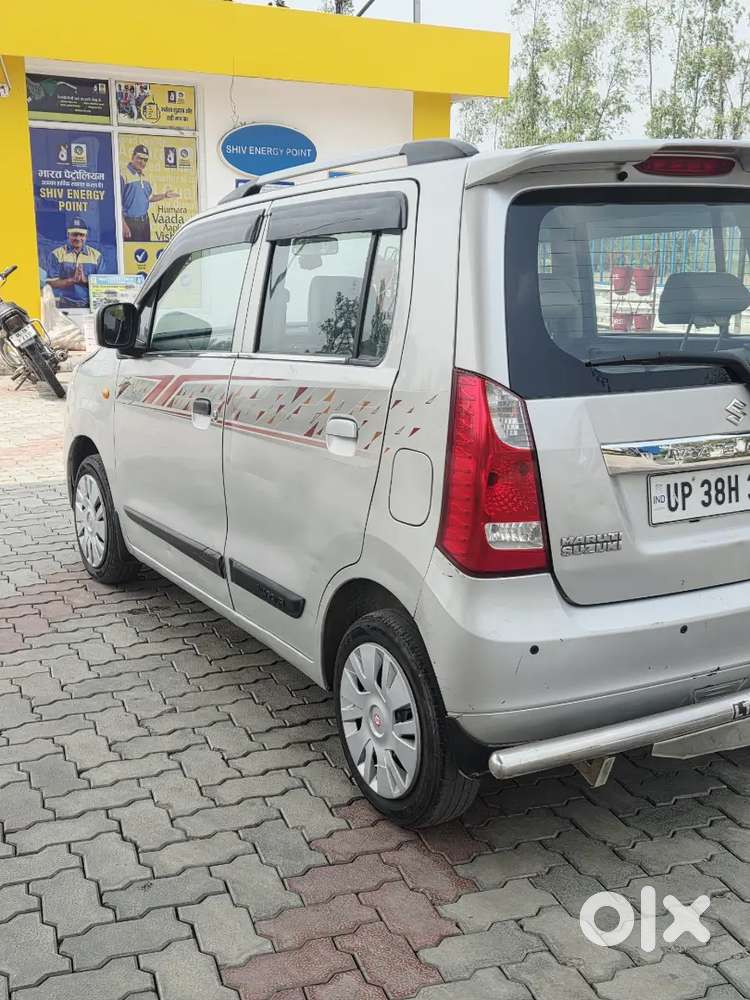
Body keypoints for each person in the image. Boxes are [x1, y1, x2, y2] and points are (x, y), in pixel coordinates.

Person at [120, 144, 178, 242]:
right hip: (130, 223)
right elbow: (116, 204)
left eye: (145, 160)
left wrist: (164, 195)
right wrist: (123, 225)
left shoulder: (145, 177)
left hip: (145, 223)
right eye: (139, 158)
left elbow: (149, 198)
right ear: (132, 157)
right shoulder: (123, 175)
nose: (142, 162)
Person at [45, 217, 107, 309]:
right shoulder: (57, 254)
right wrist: (72, 280)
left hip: (90, 306)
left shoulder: (96, 256)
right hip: (65, 306)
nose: (78, 238)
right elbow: (51, 283)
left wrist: (85, 280)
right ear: (68, 234)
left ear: (86, 236)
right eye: (74, 234)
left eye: (81, 235)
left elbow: (102, 285)